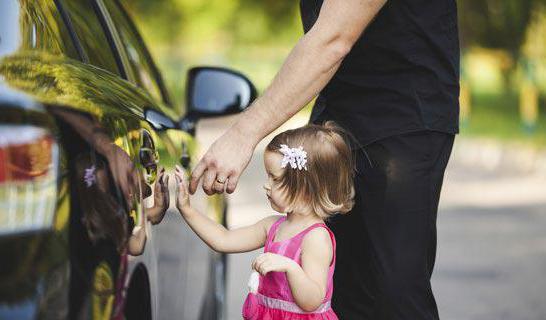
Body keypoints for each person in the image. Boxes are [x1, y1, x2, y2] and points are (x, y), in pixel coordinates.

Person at [189, 0, 459, 318]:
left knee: (391, 294)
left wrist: (242, 135)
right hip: (337, 115)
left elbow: (333, 39)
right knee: (335, 290)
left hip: (401, 120)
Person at [175, 123, 354, 319]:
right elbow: (223, 239)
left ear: (304, 187)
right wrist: (187, 210)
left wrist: (290, 267)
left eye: (275, 179)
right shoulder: (273, 226)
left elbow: (312, 301)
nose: (266, 185)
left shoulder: (316, 238)